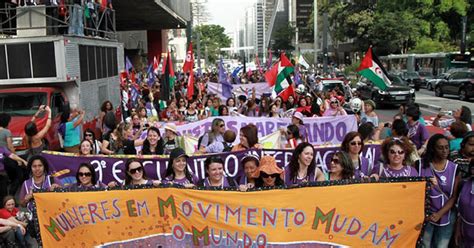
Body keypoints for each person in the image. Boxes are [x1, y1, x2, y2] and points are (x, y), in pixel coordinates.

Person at [419, 134, 461, 247]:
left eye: (447, 147)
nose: (444, 151)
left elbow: (454, 196)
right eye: (440, 147)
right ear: (432, 148)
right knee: (424, 245)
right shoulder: (420, 165)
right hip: (425, 215)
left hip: (445, 215)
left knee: (441, 246)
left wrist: (439, 214)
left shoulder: (455, 168)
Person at [454, 160, 474, 247]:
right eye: (473, 168)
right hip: (465, 231)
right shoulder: (464, 184)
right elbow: (460, 212)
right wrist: (458, 230)